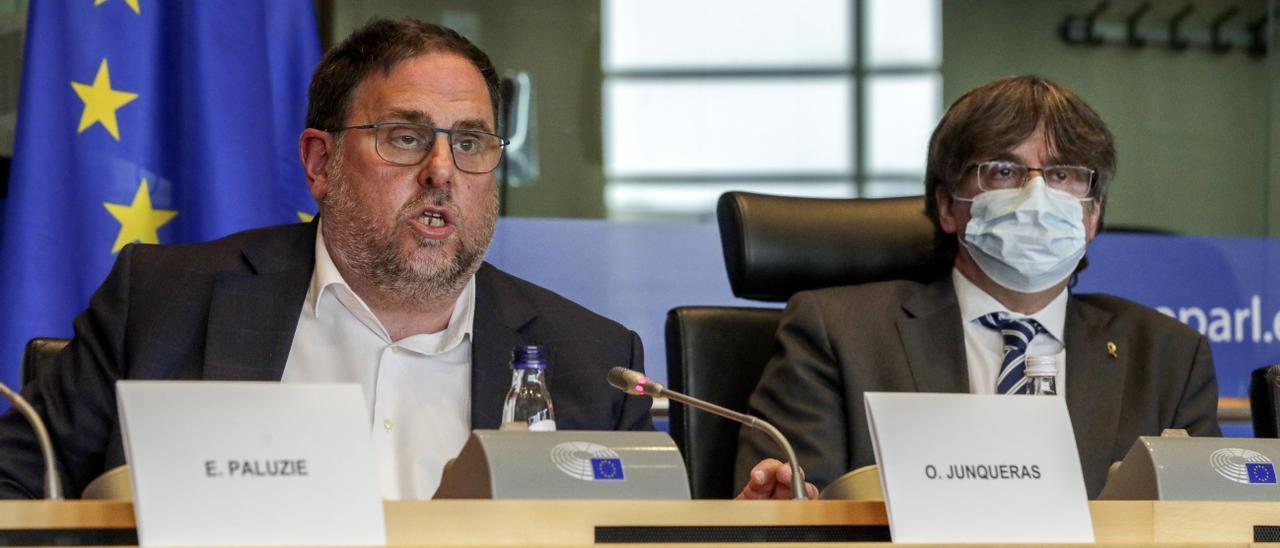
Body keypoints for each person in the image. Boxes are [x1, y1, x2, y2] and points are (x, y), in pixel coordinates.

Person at [0, 19, 652, 500]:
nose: (441, 172)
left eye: (472, 143)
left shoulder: (592, 362)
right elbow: (15, 491)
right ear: (320, 163)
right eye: (405, 138)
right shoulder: (161, 303)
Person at [735, 75, 1220, 500]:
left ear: (1092, 214)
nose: (1036, 195)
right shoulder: (838, 334)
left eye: (1063, 174)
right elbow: (789, 514)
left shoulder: (1168, 357)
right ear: (948, 206)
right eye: (1004, 171)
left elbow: (1214, 526)